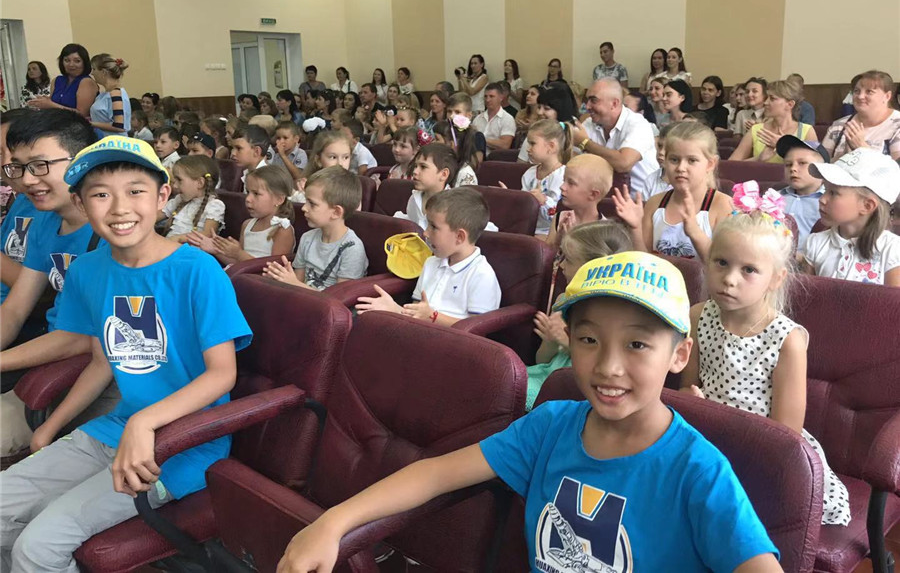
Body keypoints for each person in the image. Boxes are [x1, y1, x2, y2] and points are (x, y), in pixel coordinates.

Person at [281, 249, 781, 573]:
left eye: (636, 345)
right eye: (588, 340)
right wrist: (333, 523)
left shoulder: (697, 470)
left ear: (679, 355)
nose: (608, 367)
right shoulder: (551, 426)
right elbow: (434, 474)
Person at [0, 137, 253, 572]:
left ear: (161, 196)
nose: (119, 208)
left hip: (182, 446)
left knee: (38, 547)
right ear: (80, 203)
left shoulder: (197, 270)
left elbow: (221, 375)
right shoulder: (88, 271)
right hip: (113, 431)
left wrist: (145, 421)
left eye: (136, 191)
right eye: (100, 195)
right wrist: (50, 429)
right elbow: (102, 360)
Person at [682, 188, 851, 525]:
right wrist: (692, 403)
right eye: (721, 262)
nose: (730, 279)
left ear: (775, 278)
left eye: (749, 270)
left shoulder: (787, 340)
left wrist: (722, 428)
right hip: (707, 440)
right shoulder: (698, 315)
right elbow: (688, 388)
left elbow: (786, 435)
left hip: (763, 454)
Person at [0, 110, 102, 353]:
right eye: (19, 167)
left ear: (83, 161)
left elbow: (87, 338)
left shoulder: (111, 232)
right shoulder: (45, 220)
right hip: (51, 343)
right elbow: (14, 310)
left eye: (39, 165)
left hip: (88, 358)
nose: (27, 180)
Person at [527, 221, 632, 409]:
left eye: (568, 260)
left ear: (592, 268)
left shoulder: (620, 316)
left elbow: (610, 368)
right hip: (550, 376)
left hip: (587, 386)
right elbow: (541, 360)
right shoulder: (564, 301)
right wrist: (551, 340)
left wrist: (569, 343)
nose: (561, 265)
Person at [358, 188, 500, 325]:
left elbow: (476, 328)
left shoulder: (481, 274)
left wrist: (433, 317)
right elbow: (418, 313)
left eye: (433, 227)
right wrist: (395, 309)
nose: (425, 233)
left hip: (452, 341)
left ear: (459, 236)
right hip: (418, 333)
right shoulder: (431, 263)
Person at [613, 121, 732, 262]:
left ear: (710, 164)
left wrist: (695, 232)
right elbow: (643, 261)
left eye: (692, 160)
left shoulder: (724, 206)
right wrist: (635, 228)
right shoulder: (655, 203)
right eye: (674, 160)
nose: (681, 168)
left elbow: (724, 265)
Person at [801, 148, 900, 286]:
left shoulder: (892, 249)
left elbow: (893, 299)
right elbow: (805, 295)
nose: (822, 199)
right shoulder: (815, 243)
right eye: (825, 190)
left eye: (833, 193)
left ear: (867, 205)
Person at [262, 167, 368, 291]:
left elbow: (340, 298)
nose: (304, 208)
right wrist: (281, 278)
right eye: (305, 201)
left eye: (312, 204)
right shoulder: (307, 238)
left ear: (336, 212)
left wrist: (293, 283)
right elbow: (298, 281)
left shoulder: (352, 248)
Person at [571, 78, 659, 200]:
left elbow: (623, 163)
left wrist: (585, 143)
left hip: (643, 202)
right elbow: (573, 159)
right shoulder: (590, 123)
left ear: (614, 103)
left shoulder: (638, 124)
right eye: (587, 100)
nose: (587, 106)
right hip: (604, 199)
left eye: (593, 100)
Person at [189, 165, 295, 264]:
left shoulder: (282, 230)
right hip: (240, 274)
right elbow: (238, 263)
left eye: (256, 193)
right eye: (248, 192)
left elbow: (274, 269)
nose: (248, 199)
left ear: (279, 199)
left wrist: (239, 254)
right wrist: (216, 250)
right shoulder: (247, 224)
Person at [0, 110, 46, 308]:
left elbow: (44, 295)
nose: (5, 162)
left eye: (13, 151)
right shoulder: (22, 201)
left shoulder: (51, 208)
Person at [729, 79, 817, 163]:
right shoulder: (756, 130)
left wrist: (785, 149)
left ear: (790, 104)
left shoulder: (807, 131)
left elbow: (814, 165)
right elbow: (731, 164)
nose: (766, 103)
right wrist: (758, 159)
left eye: (772, 98)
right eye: (767, 98)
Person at [821, 70, 900, 161]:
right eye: (856, 91)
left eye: (869, 92)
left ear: (887, 96)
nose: (860, 96)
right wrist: (845, 156)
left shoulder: (897, 125)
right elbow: (822, 164)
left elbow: (896, 167)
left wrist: (862, 147)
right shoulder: (839, 125)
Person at [546, 153, 614, 249]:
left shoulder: (605, 231)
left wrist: (569, 243)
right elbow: (547, 254)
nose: (562, 187)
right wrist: (558, 241)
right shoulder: (560, 217)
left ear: (593, 194)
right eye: (564, 180)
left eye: (571, 183)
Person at [516, 119, 570, 237]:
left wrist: (543, 201)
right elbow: (522, 209)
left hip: (549, 233)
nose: (528, 148)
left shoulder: (563, 175)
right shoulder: (529, 173)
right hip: (526, 229)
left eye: (532, 143)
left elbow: (559, 214)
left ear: (551, 146)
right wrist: (511, 197)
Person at [775, 135, 828, 250]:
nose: (793, 168)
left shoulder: (829, 202)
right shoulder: (774, 198)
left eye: (802, 163)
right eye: (788, 164)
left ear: (822, 169)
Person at [160, 155, 224, 242]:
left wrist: (179, 238)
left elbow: (208, 235)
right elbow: (156, 215)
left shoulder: (214, 205)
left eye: (179, 180)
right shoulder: (179, 199)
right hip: (169, 245)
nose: (175, 185)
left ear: (200, 183)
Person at [394, 144, 457, 231]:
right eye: (416, 166)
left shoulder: (453, 206)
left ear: (443, 174)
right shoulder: (414, 198)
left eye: (423, 167)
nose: (415, 171)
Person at [27, 44, 99, 119]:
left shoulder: (86, 82)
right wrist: (43, 101)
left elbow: (82, 114)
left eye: (77, 61)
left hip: (76, 124)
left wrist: (51, 105)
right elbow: (52, 104)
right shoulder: (57, 80)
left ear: (84, 63)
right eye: (67, 60)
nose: (71, 64)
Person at [517, 86, 579, 163]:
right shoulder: (536, 132)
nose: (539, 112)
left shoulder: (574, 134)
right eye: (539, 107)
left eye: (546, 108)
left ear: (561, 111)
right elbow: (521, 163)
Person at [435, 94, 485, 187]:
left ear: (469, 115)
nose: (452, 116)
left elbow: (475, 164)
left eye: (457, 112)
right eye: (449, 111)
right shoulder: (444, 132)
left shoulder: (476, 136)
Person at [291, 130, 354, 203]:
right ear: (318, 160)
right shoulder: (308, 184)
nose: (340, 163)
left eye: (346, 157)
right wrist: (302, 195)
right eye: (333, 157)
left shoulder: (353, 187)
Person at [88, 54, 132, 137]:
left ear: (103, 72)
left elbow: (119, 126)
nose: (92, 73)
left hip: (114, 141)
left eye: (94, 69)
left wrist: (91, 123)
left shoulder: (116, 94)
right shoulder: (105, 94)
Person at [472, 83, 516, 151]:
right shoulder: (478, 118)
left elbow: (505, 145)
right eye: (485, 96)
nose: (487, 100)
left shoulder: (507, 119)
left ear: (501, 98)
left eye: (491, 96)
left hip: (494, 156)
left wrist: (481, 139)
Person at [230, 125, 269, 190]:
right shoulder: (246, 173)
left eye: (238, 148)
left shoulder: (269, 180)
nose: (233, 153)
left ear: (256, 151)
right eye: (232, 148)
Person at [270, 121, 308, 186]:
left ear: (296, 139)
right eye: (278, 138)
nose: (281, 141)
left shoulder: (301, 154)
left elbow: (298, 176)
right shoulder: (276, 154)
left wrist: (283, 155)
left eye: (285, 138)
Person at [514, 85, 541, 151]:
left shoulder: (543, 115)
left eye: (532, 94)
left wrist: (530, 128)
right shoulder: (521, 113)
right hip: (518, 146)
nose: (528, 96)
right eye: (528, 93)